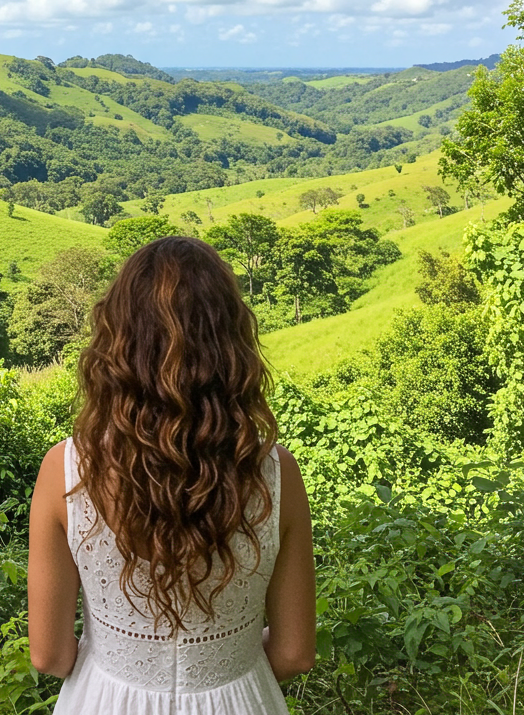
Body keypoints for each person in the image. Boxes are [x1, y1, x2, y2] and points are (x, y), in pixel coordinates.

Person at [28, 235, 317, 714]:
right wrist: (226, 669)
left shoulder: (65, 470)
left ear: (118, 344)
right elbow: (294, 652)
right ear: (230, 346)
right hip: (240, 700)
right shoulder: (275, 473)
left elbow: (50, 654)